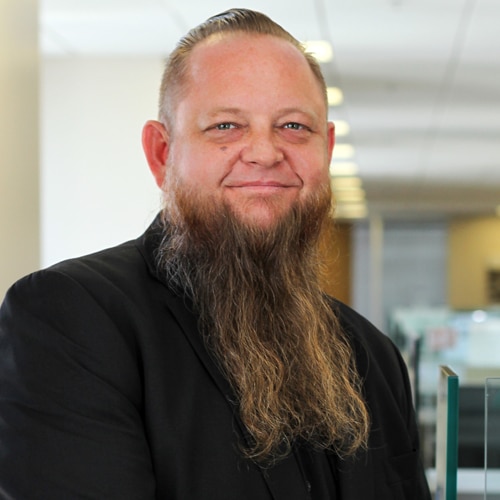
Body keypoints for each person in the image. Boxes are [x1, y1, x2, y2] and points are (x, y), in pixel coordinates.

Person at [0, 8, 431, 499]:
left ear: (326, 150)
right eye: (226, 125)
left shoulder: (372, 355)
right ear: (162, 153)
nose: (265, 152)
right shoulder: (71, 319)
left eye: (293, 126)